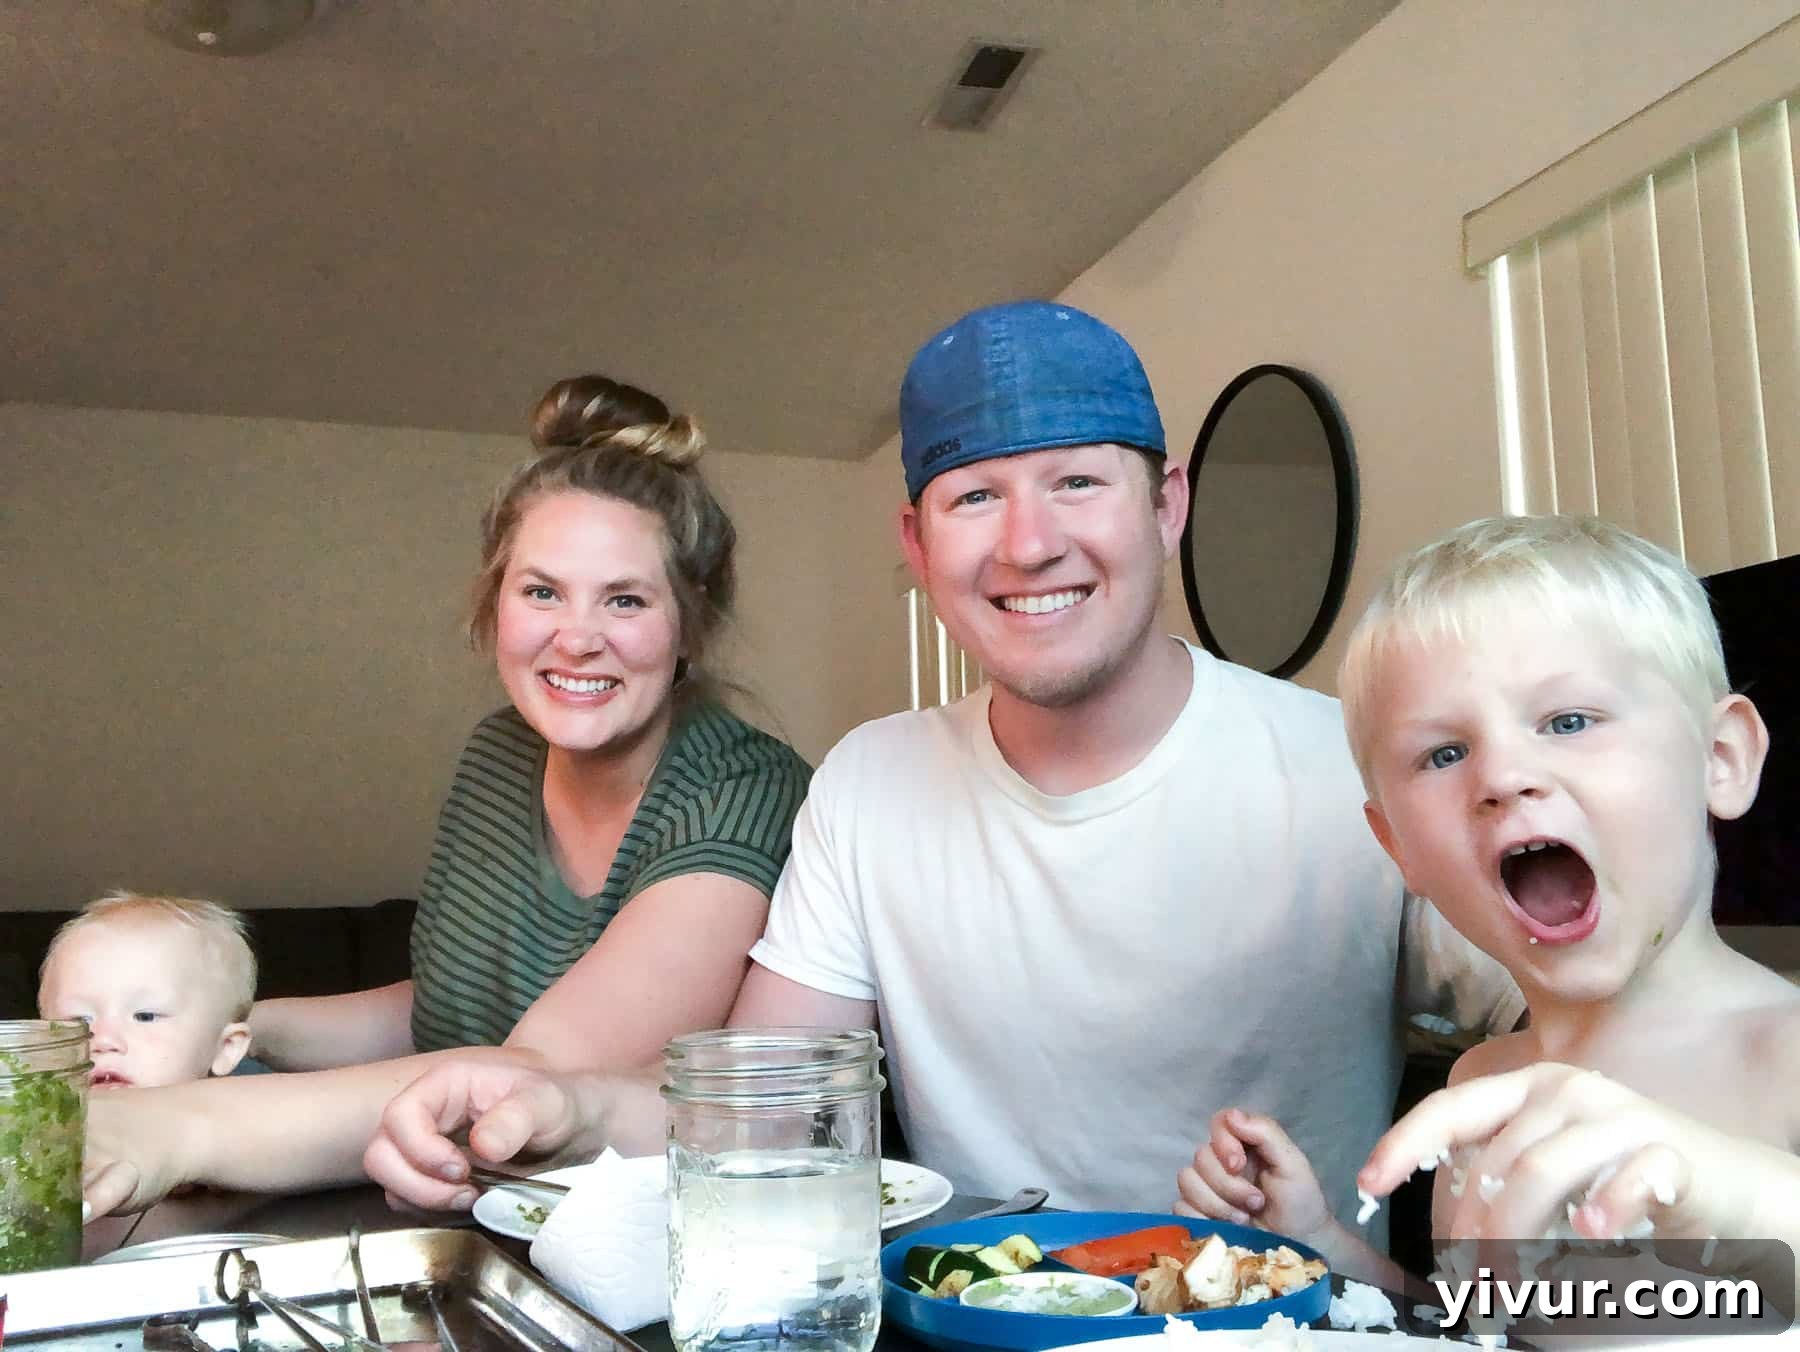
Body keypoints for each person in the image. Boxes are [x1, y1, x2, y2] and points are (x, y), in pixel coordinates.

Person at [362, 301, 1516, 1229]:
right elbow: (764, 1107)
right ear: (917, 546)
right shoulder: (868, 786)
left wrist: (1442, 1278)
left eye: (1076, 480)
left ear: (1166, 505)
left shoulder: (1350, 765)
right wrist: (559, 1103)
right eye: (974, 496)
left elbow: (1606, 1026)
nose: (1027, 543)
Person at [80, 376, 812, 1217]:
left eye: (625, 599)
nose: (577, 636)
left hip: (651, 1245)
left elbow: (527, 1074)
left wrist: (164, 1127)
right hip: (477, 1218)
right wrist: (239, 1029)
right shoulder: (498, 755)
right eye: (541, 591)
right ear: (493, 604)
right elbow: (446, 1008)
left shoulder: (744, 789)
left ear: (690, 626)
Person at [1178, 515, 1800, 1285]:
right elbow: (1481, 1330)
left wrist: (1736, 1196)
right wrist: (1320, 1243)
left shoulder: (1787, 1058)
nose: (1503, 776)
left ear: (1721, 759)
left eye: (1568, 721)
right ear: (1397, 847)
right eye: (1444, 753)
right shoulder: (1479, 1086)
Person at [39, 890, 255, 1088]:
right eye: (79, 1021)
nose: (103, 1041)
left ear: (225, 1048)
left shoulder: (246, 1124)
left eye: (145, 1016)